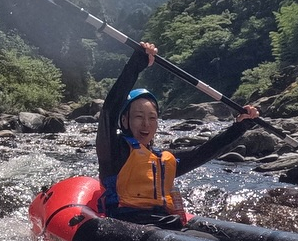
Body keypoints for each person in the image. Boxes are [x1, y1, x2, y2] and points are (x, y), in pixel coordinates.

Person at [96, 41, 260, 228]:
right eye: (139, 117)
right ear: (124, 121)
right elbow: (109, 111)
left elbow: (204, 152)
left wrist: (239, 127)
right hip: (129, 227)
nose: (146, 124)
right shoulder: (113, 150)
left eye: (152, 118)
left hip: (164, 224)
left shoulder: (163, 159)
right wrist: (135, 65)